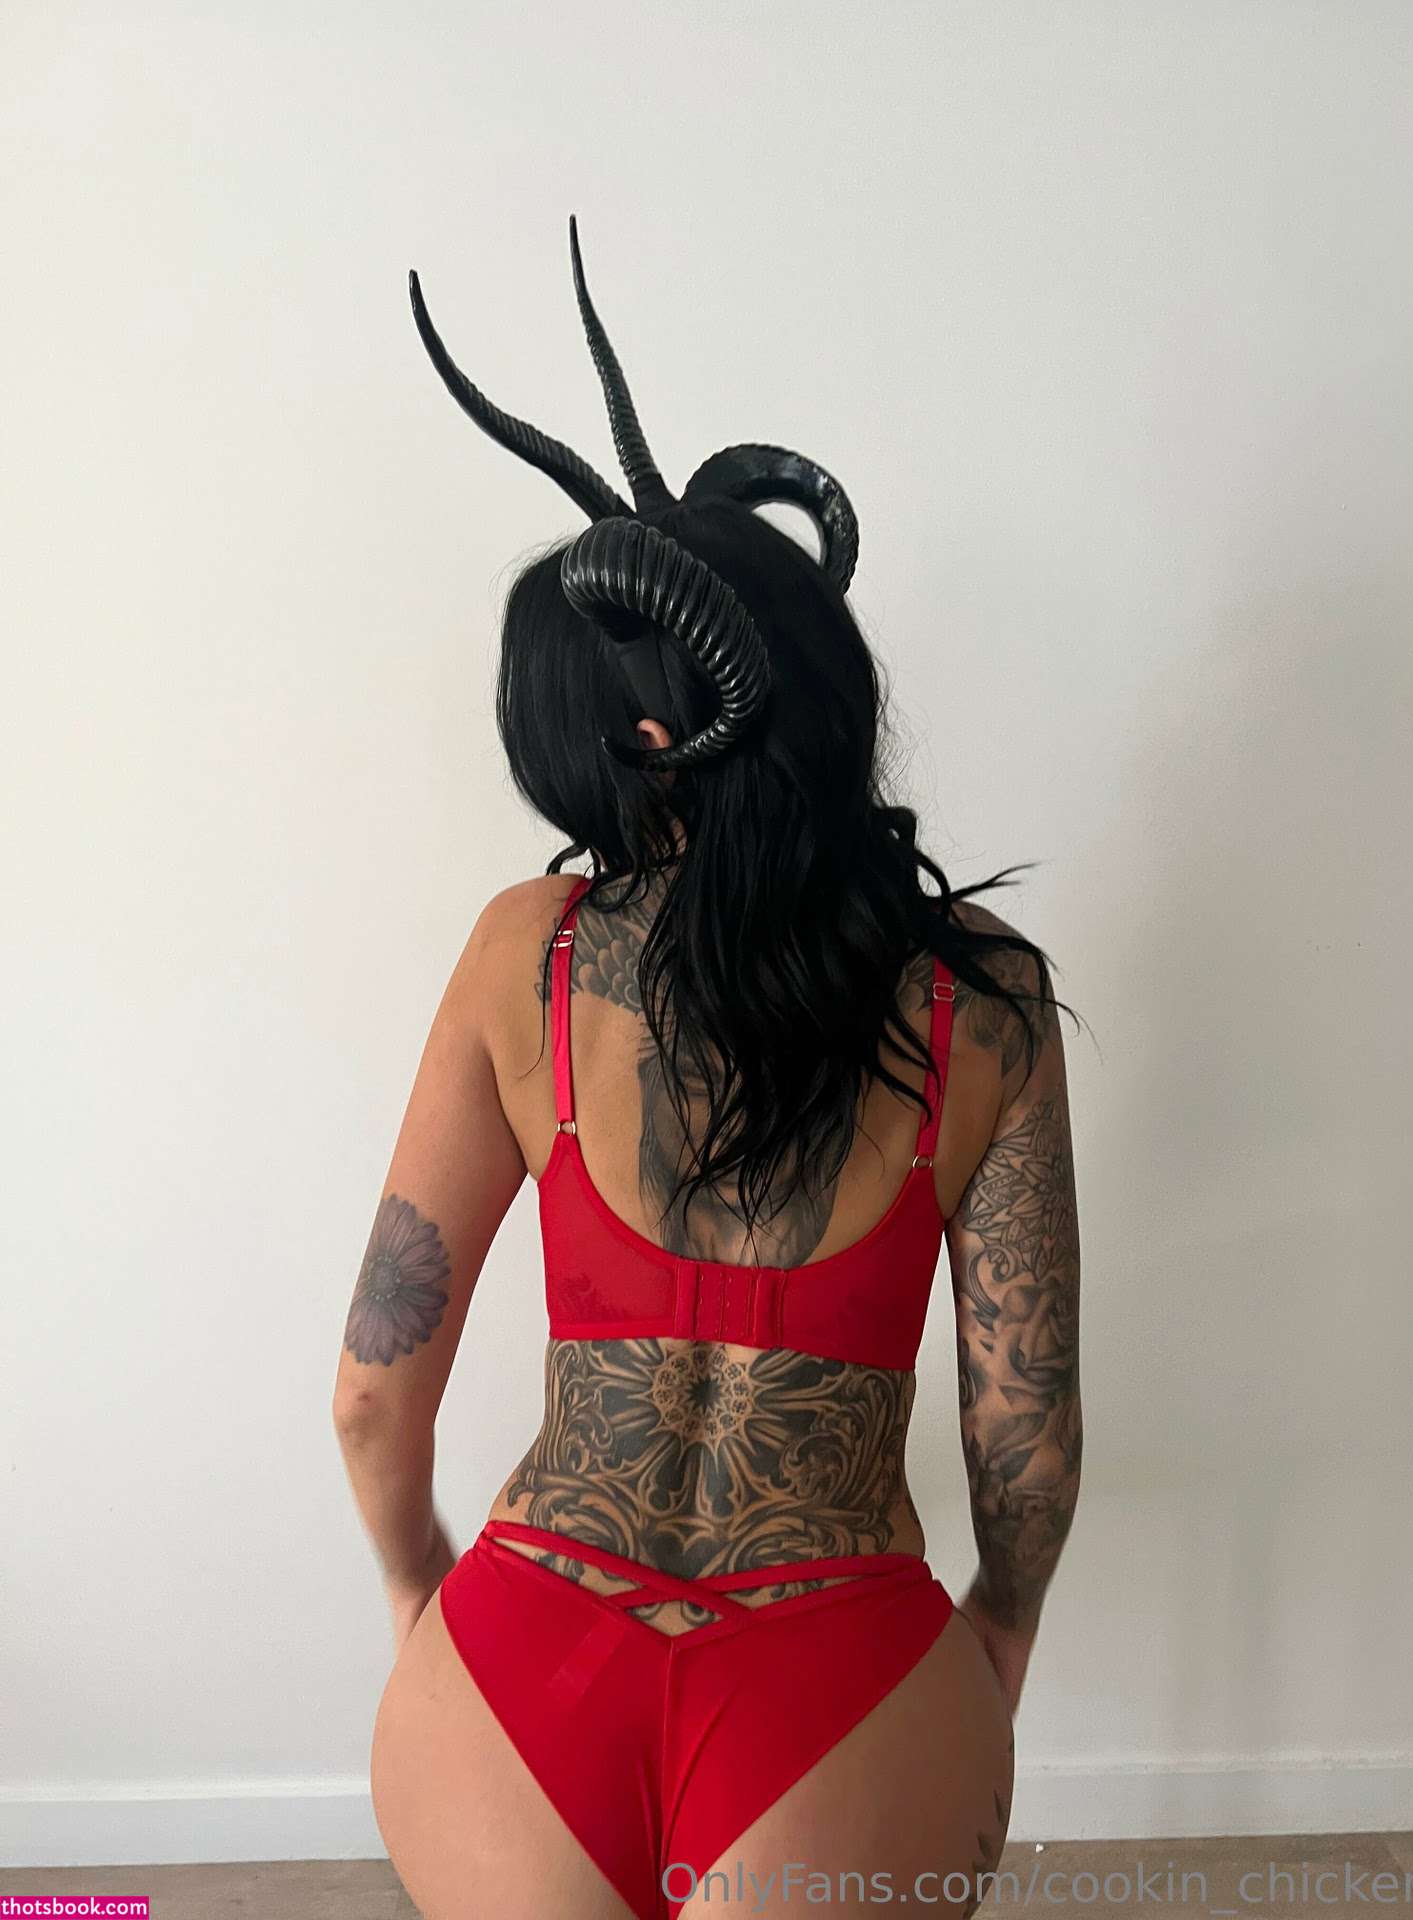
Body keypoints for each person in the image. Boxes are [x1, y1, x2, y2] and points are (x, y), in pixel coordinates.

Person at [333, 217, 1083, 1920]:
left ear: (653, 745)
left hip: (528, 1652)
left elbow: (375, 1383)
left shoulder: (526, 952)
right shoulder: (985, 1003)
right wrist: (1001, 1632)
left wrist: (419, 1591)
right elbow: (1025, 1431)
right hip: (840, 1666)